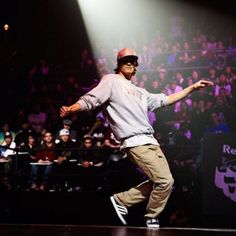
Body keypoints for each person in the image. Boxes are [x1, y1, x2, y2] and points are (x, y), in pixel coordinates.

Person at [60, 47, 213, 228]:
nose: (130, 63)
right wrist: (72, 108)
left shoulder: (141, 92)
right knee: (164, 181)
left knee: (165, 181)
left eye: (133, 61)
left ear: (136, 67)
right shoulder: (111, 81)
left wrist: (192, 88)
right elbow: (91, 99)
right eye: (126, 60)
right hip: (134, 141)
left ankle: (121, 200)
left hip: (151, 141)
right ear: (119, 64)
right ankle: (151, 216)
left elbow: (166, 100)